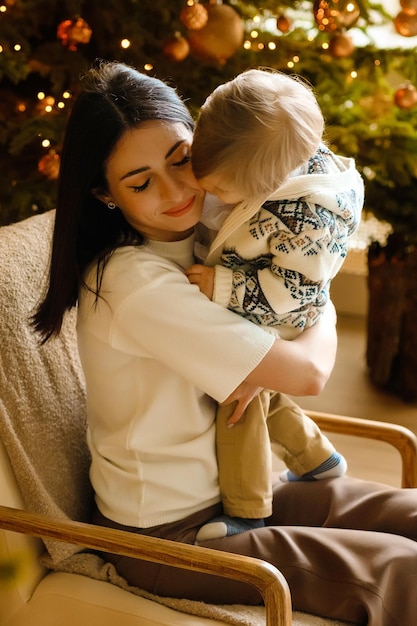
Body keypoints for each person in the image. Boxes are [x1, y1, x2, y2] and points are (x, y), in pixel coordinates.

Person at [32, 60, 417, 626]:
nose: (179, 191)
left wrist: (304, 298)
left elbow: (302, 277)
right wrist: (316, 304)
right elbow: (308, 373)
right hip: (171, 534)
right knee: (401, 568)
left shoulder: (209, 233)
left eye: (182, 160)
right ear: (106, 195)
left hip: (248, 492)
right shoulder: (134, 282)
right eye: (141, 183)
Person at [188, 68, 363, 541]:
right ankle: (318, 458)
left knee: (237, 396)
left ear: (267, 186)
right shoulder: (275, 168)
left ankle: (246, 510)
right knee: (262, 392)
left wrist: (224, 286)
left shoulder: (306, 217)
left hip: (285, 303)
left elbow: (290, 292)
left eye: (221, 191)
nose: (210, 195)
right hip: (274, 288)